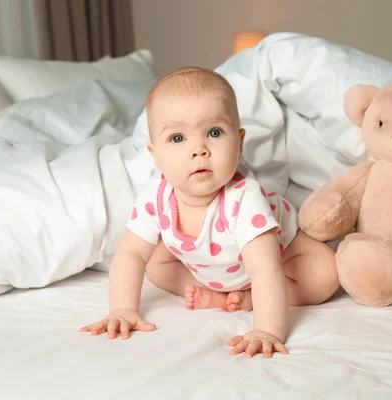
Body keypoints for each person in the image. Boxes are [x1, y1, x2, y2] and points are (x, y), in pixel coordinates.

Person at [80, 67, 340, 358]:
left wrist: (266, 330)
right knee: (155, 263)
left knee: (325, 273)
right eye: (178, 138)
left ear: (239, 143)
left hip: (281, 255)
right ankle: (213, 294)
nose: (199, 149)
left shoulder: (243, 197)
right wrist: (123, 309)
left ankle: (249, 299)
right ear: (155, 155)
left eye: (214, 133)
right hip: (207, 268)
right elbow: (130, 254)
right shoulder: (156, 194)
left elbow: (265, 269)